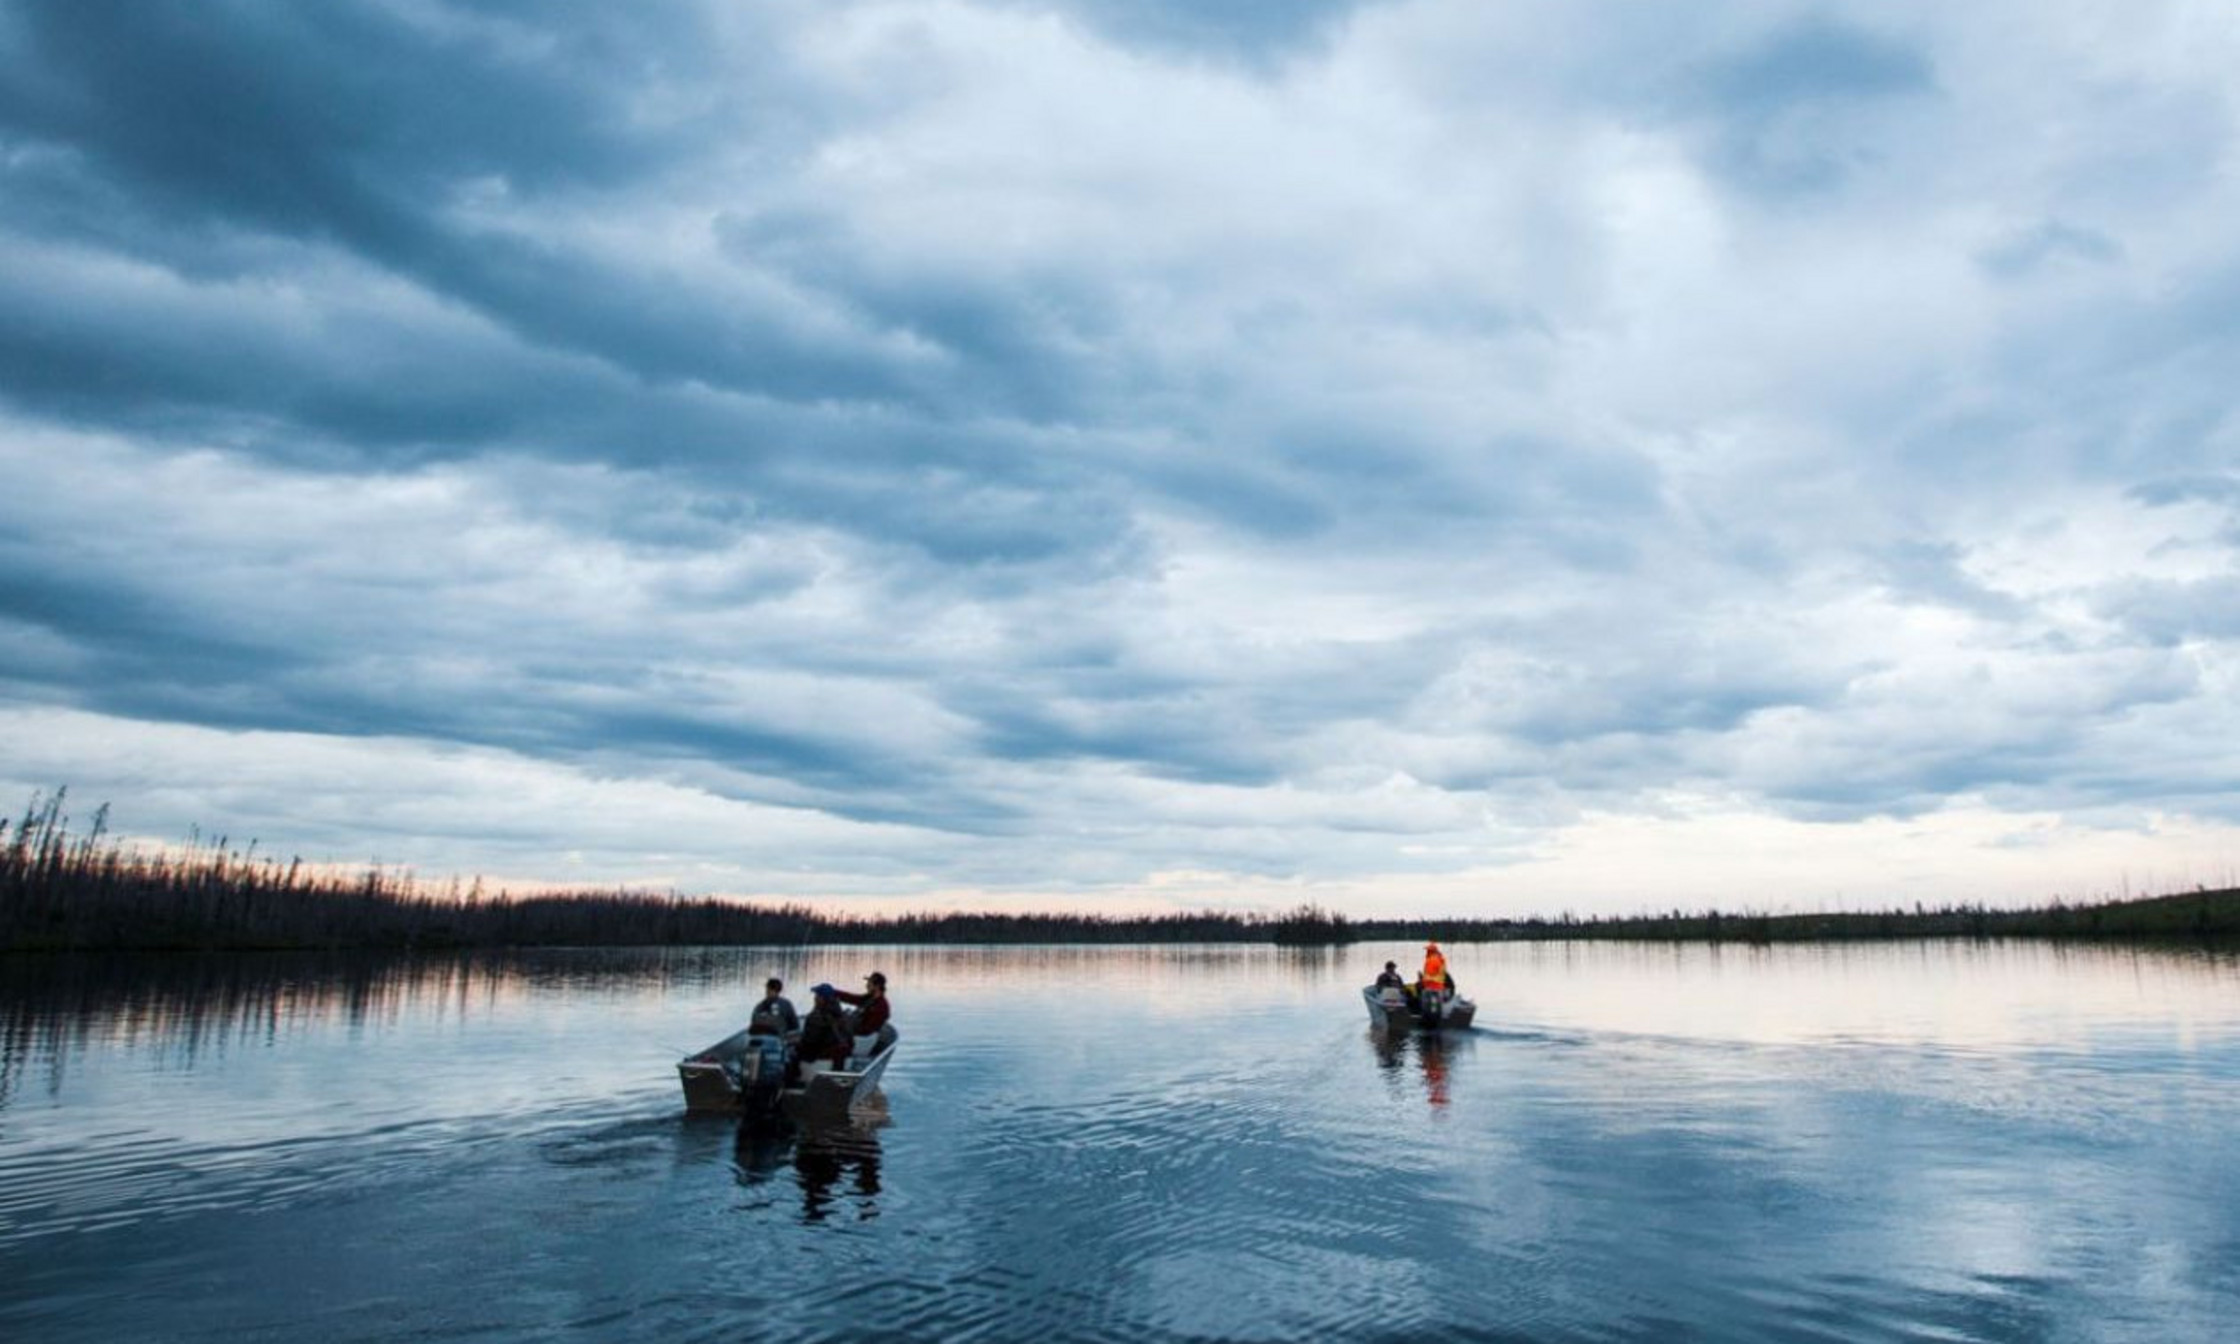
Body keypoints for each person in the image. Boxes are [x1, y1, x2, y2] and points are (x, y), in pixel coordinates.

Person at [794, 986, 852, 1080]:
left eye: (816, 995)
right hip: (836, 1059)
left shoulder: (816, 1017)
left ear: (822, 999)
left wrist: (797, 1044)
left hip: (818, 1058)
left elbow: (809, 1042)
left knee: (789, 1053)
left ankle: (789, 1083)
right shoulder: (843, 1017)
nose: (814, 998)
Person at [830, 971, 891, 1040]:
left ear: (877, 986)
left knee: (833, 1023)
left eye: (869, 983)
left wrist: (844, 1026)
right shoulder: (869, 998)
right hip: (855, 1028)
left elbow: (867, 1029)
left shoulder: (881, 1006)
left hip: (861, 1037)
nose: (867, 985)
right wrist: (833, 992)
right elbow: (852, 998)